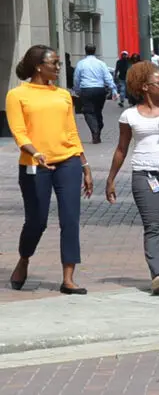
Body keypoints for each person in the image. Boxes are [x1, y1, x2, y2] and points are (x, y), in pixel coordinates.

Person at [5, 45, 93, 294]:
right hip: (35, 165)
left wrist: (85, 165)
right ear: (38, 66)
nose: (58, 67)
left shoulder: (63, 95)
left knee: (70, 219)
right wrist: (35, 152)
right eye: (53, 62)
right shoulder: (17, 95)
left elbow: (72, 132)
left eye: (58, 63)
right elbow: (18, 131)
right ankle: (24, 259)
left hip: (68, 162)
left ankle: (68, 278)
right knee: (37, 220)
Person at [105, 62, 159, 296]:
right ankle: (158, 274)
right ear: (144, 87)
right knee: (154, 225)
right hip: (144, 174)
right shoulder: (129, 115)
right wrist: (111, 178)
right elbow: (121, 148)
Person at [73, 45, 115, 144]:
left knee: (88, 112)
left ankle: (95, 131)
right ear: (95, 51)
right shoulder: (101, 63)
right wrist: (113, 89)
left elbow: (76, 78)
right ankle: (99, 127)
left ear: (85, 51)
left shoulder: (81, 64)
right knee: (98, 111)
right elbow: (107, 76)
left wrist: (77, 89)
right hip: (100, 90)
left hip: (86, 89)